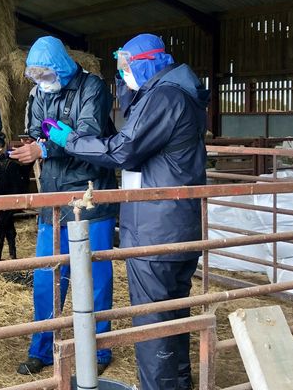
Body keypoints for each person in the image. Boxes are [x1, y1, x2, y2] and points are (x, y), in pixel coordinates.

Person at [46, 33, 208, 389]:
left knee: (152, 324)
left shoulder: (165, 97)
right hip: (171, 221)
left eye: (127, 68)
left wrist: (69, 140)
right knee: (170, 317)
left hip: (157, 226)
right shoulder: (171, 92)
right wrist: (127, 88)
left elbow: (123, 149)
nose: (123, 77)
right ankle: (176, 384)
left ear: (147, 63)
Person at [9, 36, 118, 376]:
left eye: (46, 74)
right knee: (47, 276)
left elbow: (88, 135)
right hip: (53, 195)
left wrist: (45, 149)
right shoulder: (39, 92)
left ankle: (98, 350)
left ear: (60, 66)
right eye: (36, 77)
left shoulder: (92, 88)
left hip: (90, 194)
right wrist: (31, 146)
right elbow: (36, 129)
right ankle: (42, 348)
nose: (42, 82)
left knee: (94, 274)